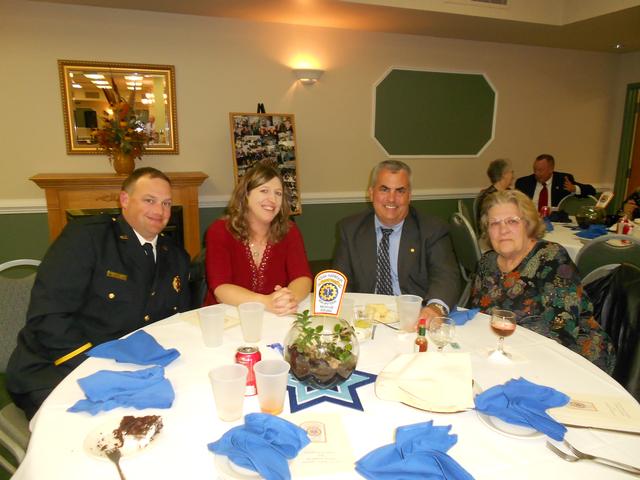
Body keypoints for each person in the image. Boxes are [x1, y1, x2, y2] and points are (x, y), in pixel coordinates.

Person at [6, 167, 192, 419]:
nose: (159, 212)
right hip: (60, 367)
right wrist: (95, 366)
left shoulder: (176, 256)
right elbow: (48, 318)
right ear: (124, 200)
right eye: (149, 200)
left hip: (133, 369)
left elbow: (176, 321)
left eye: (167, 203)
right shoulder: (87, 238)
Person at [468, 189, 615, 373]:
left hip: (573, 358)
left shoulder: (552, 258)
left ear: (528, 224)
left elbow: (562, 331)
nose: (503, 229)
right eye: (494, 223)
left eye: (512, 221)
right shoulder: (486, 263)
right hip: (505, 356)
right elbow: (476, 317)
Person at [333, 160, 461, 321]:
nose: (391, 199)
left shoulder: (432, 229)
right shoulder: (350, 229)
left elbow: (446, 276)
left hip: (413, 316)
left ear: (410, 196)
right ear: (371, 193)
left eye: (400, 191)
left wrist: (434, 308)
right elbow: (341, 280)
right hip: (365, 316)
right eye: (384, 189)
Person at [204, 163, 312, 315]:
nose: (272, 199)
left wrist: (289, 299)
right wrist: (266, 302)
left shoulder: (289, 231)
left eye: (278, 193)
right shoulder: (220, 230)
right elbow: (220, 288)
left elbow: (302, 277)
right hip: (227, 317)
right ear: (246, 195)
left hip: (275, 315)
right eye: (264, 191)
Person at [515, 154, 596, 210]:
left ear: (551, 169)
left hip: (556, 222)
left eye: (540, 170)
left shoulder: (563, 180)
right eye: (535, 170)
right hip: (531, 222)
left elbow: (591, 190)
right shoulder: (523, 183)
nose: (537, 173)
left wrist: (575, 189)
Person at [475, 158, 514, 227]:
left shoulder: (508, 192)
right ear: (504, 174)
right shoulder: (489, 197)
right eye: (511, 172)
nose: (513, 175)